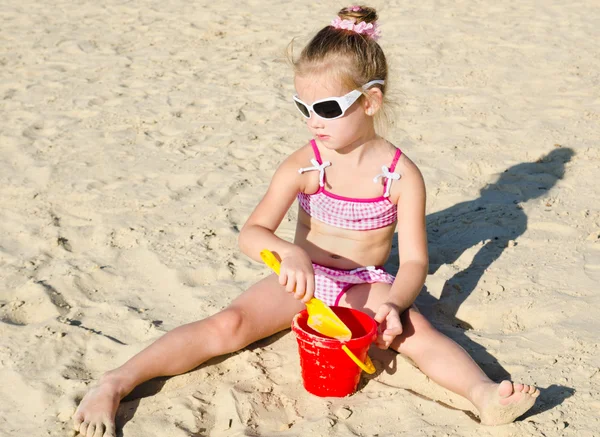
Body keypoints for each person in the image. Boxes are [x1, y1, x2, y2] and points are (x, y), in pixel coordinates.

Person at [72, 5, 539, 436]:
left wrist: (394, 304)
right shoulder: (305, 163)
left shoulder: (400, 175)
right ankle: (115, 382)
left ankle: (482, 394)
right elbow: (251, 234)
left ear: (371, 102)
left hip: (364, 281)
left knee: (417, 334)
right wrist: (289, 252)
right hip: (304, 281)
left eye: (328, 108)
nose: (314, 121)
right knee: (228, 325)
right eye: (303, 108)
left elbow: (415, 260)